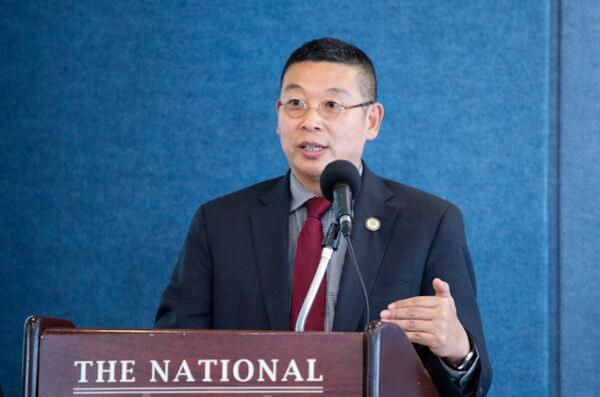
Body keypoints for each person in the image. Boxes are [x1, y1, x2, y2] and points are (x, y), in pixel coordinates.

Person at [156, 37, 492, 396]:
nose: (310, 121)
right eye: (296, 103)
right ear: (278, 114)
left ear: (372, 120)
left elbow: (472, 385)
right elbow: (169, 358)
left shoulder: (429, 222)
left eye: (332, 104)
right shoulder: (220, 222)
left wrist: (457, 350)